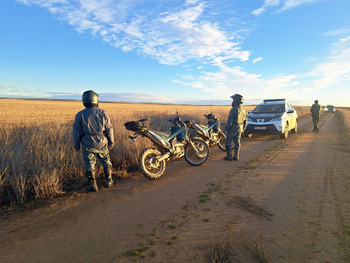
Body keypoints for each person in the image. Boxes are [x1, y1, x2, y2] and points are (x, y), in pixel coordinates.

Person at [73, 90, 115, 192]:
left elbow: (76, 132)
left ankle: (92, 185)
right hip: (102, 142)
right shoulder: (103, 113)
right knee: (106, 161)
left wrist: (76, 145)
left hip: (87, 143)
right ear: (96, 100)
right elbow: (109, 129)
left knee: (89, 163)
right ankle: (109, 180)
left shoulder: (80, 114)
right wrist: (111, 142)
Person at [224, 94, 247, 161]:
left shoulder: (234, 109)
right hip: (240, 127)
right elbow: (245, 121)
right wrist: (243, 129)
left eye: (233, 100)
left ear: (236, 100)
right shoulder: (244, 110)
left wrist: (226, 128)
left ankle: (229, 156)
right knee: (237, 142)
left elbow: (230, 121)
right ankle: (236, 156)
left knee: (228, 142)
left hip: (233, 127)